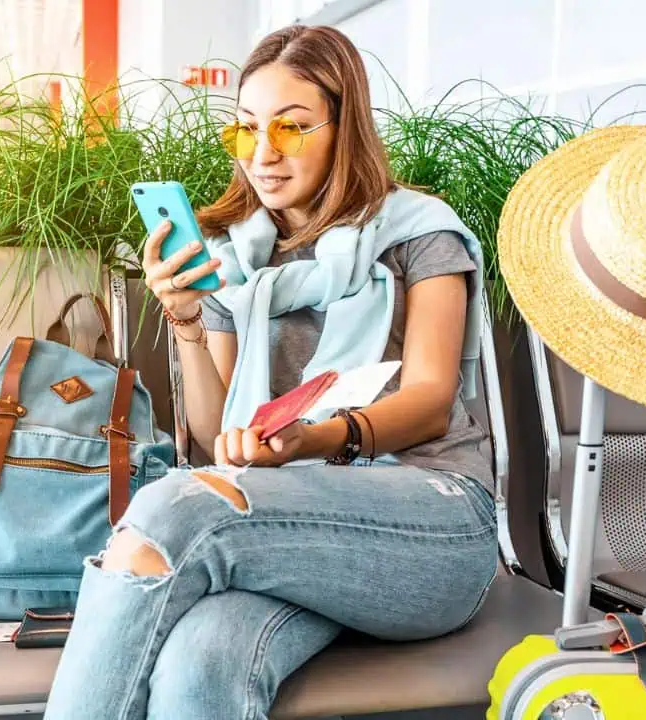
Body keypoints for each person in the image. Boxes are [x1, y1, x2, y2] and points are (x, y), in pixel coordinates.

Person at [43, 24, 498, 720]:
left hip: (431, 524)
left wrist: (318, 440)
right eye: (247, 129)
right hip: (287, 529)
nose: (264, 154)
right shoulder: (237, 262)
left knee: (176, 507)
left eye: (290, 128)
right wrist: (188, 319)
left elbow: (432, 401)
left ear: (343, 128)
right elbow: (213, 427)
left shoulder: (420, 233)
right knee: (203, 663)